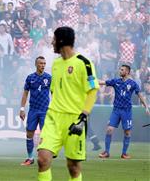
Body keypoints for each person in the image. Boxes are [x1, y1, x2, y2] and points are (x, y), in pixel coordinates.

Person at [37, 26, 99, 181]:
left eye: (54, 39)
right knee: (42, 159)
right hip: (53, 118)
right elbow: (53, 90)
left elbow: (92, 90)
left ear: (61, 41)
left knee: (73, 167)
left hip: (74, 119)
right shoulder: (56, 64)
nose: (52, 42)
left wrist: (84, 115)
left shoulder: (84, 63)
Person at [98, 65, 149, 159]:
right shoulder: (116, 81)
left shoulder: (133, 83)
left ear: (127, 72)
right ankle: (106, 152)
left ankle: (124, 153)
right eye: (120, 69)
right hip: (116, 110)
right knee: (109, 130)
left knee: (127, 132)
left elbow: (140, 95)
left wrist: (146, 106)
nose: (120, 71)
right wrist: (91, 81)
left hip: (127, 111)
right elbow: (102, 82)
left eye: (122, 70)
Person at [19, 56, 52, 166]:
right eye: (41, 63)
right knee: (29, 134)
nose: (43, 65)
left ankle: (44, 158)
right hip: (33, 110)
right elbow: (25, 93)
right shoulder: (30, 78)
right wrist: (22, 109)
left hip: (45, 110)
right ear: (36, 64)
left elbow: (53, 93)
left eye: (44, 63)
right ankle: (30, 158)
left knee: (45, 135)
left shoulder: (49, 77)